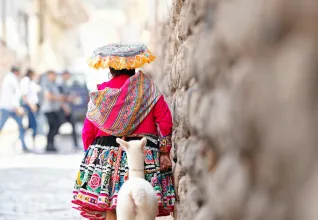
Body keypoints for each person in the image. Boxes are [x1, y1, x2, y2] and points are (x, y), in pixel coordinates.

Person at [0, 66, 30, 152]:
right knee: (19, 126)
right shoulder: (12, 79)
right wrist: (17, 107)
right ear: (16, 72)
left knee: (20, 126)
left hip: (7, 107)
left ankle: (24, 146)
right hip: (11, 108)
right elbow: (15, 94)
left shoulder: (7, 78)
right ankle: (24, 146)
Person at [41, 70, 64, 152]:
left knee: (56, 125)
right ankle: (49, 144)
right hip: (48, 109)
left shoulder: (55, 84)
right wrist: (59, 98)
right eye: (52, 75)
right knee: (52, 126)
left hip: (54, 109)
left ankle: (51, 144)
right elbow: (48, 97)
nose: (54, 77)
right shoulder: (46, 85)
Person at [58, 70, 79, 149]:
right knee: (58, 126)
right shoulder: (60, 85)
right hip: (63, 109)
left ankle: (76, 144)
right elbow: (60, 98)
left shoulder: (69, 85)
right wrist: (65, 107)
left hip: (70, 109)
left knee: (74, 126)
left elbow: (72, 97)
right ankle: (55, 142)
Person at [20, 69, 40, 147]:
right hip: (28, 106)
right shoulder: (26, 80)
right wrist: (31, 105)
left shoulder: (31, 82)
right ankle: (24, 141)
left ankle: (31, 142)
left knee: (33, 125)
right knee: (31, 125)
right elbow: (24, 95)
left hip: (32, 105)